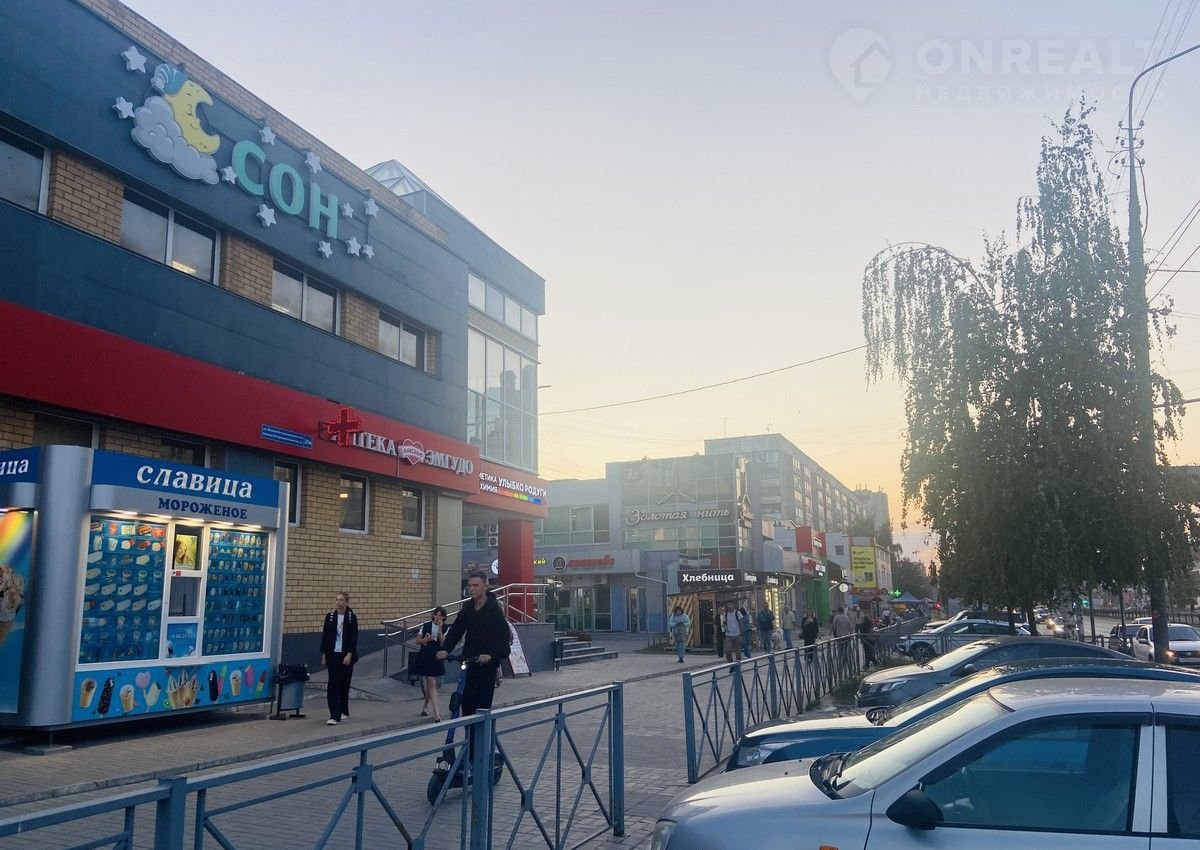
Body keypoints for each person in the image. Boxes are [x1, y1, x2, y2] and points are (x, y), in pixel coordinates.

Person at [436, 571, 511, 718]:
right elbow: (456, 630)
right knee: (467, 705)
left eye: (476, 585)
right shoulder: (468, 608)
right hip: (470, 660)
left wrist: (490, 655)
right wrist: (445, 649)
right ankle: (469, 732)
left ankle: (481, 732)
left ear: (485, 587)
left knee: (482, 706)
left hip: (487, 665)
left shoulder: (494, 610)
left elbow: (504, 641)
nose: (471, 589)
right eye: (469, 586)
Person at [319, 591, 358, 726]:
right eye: (337, 599)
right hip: (333, 654)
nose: (338, 602)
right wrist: (324, 654)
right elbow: (325, 636)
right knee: (333, 684)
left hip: (346, 655)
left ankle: (343, 710)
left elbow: (353, 637)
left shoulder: (351, 617)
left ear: (346, 602)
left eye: (341, 600)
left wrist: (349, 654)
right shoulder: (330, 617)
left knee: (344, 683)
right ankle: (334, 715)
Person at [414, 606, 447, 722]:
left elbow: (443, 643)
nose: (437, 617)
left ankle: (425, 706)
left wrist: (440, 629)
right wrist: (426, 640)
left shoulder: (445, 627)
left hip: (436, 655)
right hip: (426, 655)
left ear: (443, 617)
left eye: (440, 615)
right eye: (436, 614)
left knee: (430, 684)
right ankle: (436, 713)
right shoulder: (426, 625)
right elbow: (418, 640)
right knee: (431, 682)